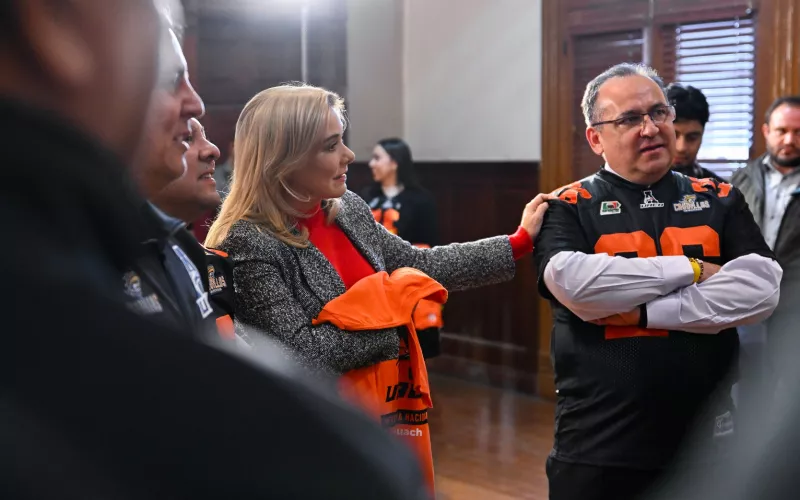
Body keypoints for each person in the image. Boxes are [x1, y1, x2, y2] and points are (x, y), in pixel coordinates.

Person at [0, 1, 433, 497]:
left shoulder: (173, 246)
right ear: (48, 22)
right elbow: (296, 355)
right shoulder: (238, 241)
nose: (196, 107)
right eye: (169, 78)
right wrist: (394, 319)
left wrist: (507, 246)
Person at [204, 83, 552, 492]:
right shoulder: (248, 240)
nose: (350, 155)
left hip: (382, 414)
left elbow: (421, 265)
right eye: (331, 145)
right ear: (284, 159)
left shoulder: (347, 208)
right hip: (320, 437)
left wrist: (517, 243)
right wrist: (396, 318)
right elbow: (304, 355)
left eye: (342, 140)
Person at [533, 63, 782, 500]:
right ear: (595, 138)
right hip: (598, 443)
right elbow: (577, 285)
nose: (650, 128)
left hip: (708, 442)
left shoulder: (719, 197)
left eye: (658, 113)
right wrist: (692, 269)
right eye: (630, 119)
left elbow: (762, 289)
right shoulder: (566, 206)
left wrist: (645, 312)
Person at [731, 95, 800, 413]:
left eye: (798, 132)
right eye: (782, 130)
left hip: (794, 310)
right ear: (766, 131)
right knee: (747, 391)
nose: (789, 140)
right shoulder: (740, 179)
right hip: (748, 305)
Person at [151, 117, 236, 340]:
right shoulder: (107, 263)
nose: (213, 150)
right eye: (187, 138)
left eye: (206, 137)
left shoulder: (210, 261)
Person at [362, 137, 442, 358]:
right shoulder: (366, 197)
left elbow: (429, 245)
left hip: (407, 279)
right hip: (372, 280)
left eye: (377, 158)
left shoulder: (421, 200)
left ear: (394, 162)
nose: (371, 164)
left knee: (411, 349)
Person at [666, 83, 724, 181]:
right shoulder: (638, 184)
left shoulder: (717, 188)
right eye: (673, 135)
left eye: (692, 138)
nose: (681, 148)